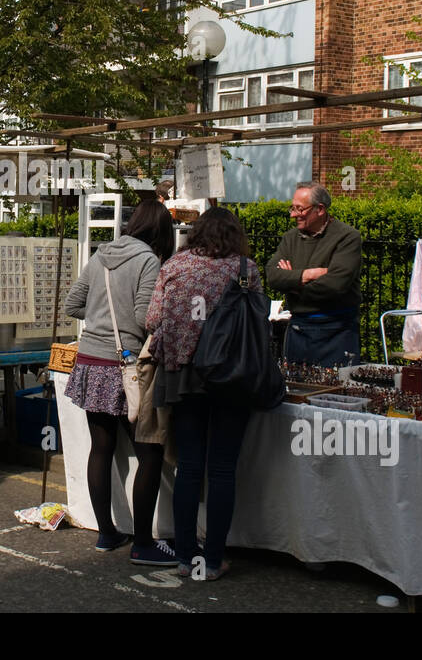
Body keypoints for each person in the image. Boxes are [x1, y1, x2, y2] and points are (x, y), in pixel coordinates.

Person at [146, 206, 263, 580]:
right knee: (223, 469)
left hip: (184, 376)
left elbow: (151, 320)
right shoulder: (245, 270)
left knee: (189, 468)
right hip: (232, 375)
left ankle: (184, 558)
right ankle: (213, 560)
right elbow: (258, 318)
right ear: (234, 234)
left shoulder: (175, 266)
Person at [64, 199, 176, 565]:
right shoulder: (148, 261)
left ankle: (107, 534)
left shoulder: (100, 255)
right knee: (150, 453)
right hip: (125, 366)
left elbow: (72, 304)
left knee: (101, 449)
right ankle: (143, 543)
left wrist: (98, 318)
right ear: (160, 231)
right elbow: (147, 318)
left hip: (90, 360)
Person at [263, 181, 362, 368]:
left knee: (336, 393)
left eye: (300, 209)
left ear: (320, 209)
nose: (293, 215)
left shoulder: (347, 238)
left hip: (337, 331)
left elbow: (335, 285)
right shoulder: (290, 238)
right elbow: (272, 276)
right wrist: (309, 275)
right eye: (292, 208)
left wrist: (292, 281)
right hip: (298, 330)